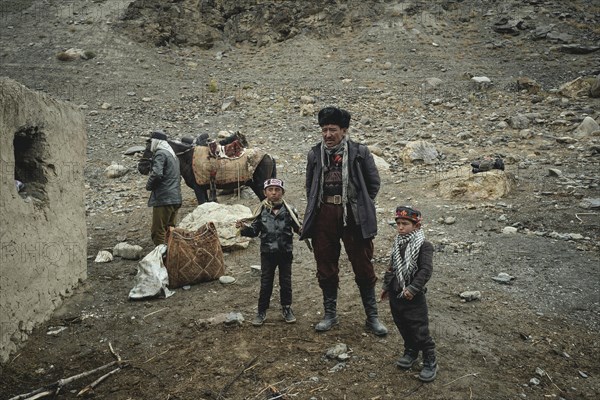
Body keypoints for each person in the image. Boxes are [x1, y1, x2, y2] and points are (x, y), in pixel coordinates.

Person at [300, 106, 387, 336]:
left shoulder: (360, 152)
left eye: (333, 130)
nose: (328, 135)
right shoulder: (314, 154)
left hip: (353, 215)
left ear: (344, 130)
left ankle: (372, 317)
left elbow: (373, 184)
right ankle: (330, 314)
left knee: (363, 264)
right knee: (325, 265)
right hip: (324, 214)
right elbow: (310, 187)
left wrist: (359, 204)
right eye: (324, 130)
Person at [381, 206, 437, 382]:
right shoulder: (398, 243)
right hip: (396, 293)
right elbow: (392, 266)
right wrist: (386, 286)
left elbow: (425, 271)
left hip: (414, 297)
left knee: (419, 329)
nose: (400, 227)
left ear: (417, 225)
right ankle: (410, 351)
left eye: (405, 223)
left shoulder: (424, 245)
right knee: (402, 324)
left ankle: (430, 360)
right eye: (398, 223)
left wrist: (413, 288)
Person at [236, 178, 302, 326]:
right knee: (266, 283)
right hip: (267, 254)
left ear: (282, 192)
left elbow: (298, 229)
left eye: (277, 190)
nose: (274, 193)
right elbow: (254, 231)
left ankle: (286, 308)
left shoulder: (290, 211)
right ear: (265, 192)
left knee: (286, 282)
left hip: (285, 253)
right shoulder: (260, 212)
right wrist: (243, 228)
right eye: (270, 190)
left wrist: (307, 230)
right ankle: (261, 311)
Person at [145, 130, 182, 246]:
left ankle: (161, 259)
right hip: (176, 198)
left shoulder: (160, 153)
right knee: (170, 230)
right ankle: (172, 257)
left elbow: (156, 174)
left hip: (164, 199)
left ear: (156, 141)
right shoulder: (173, 155)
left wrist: (149, 186)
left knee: (158, 231)